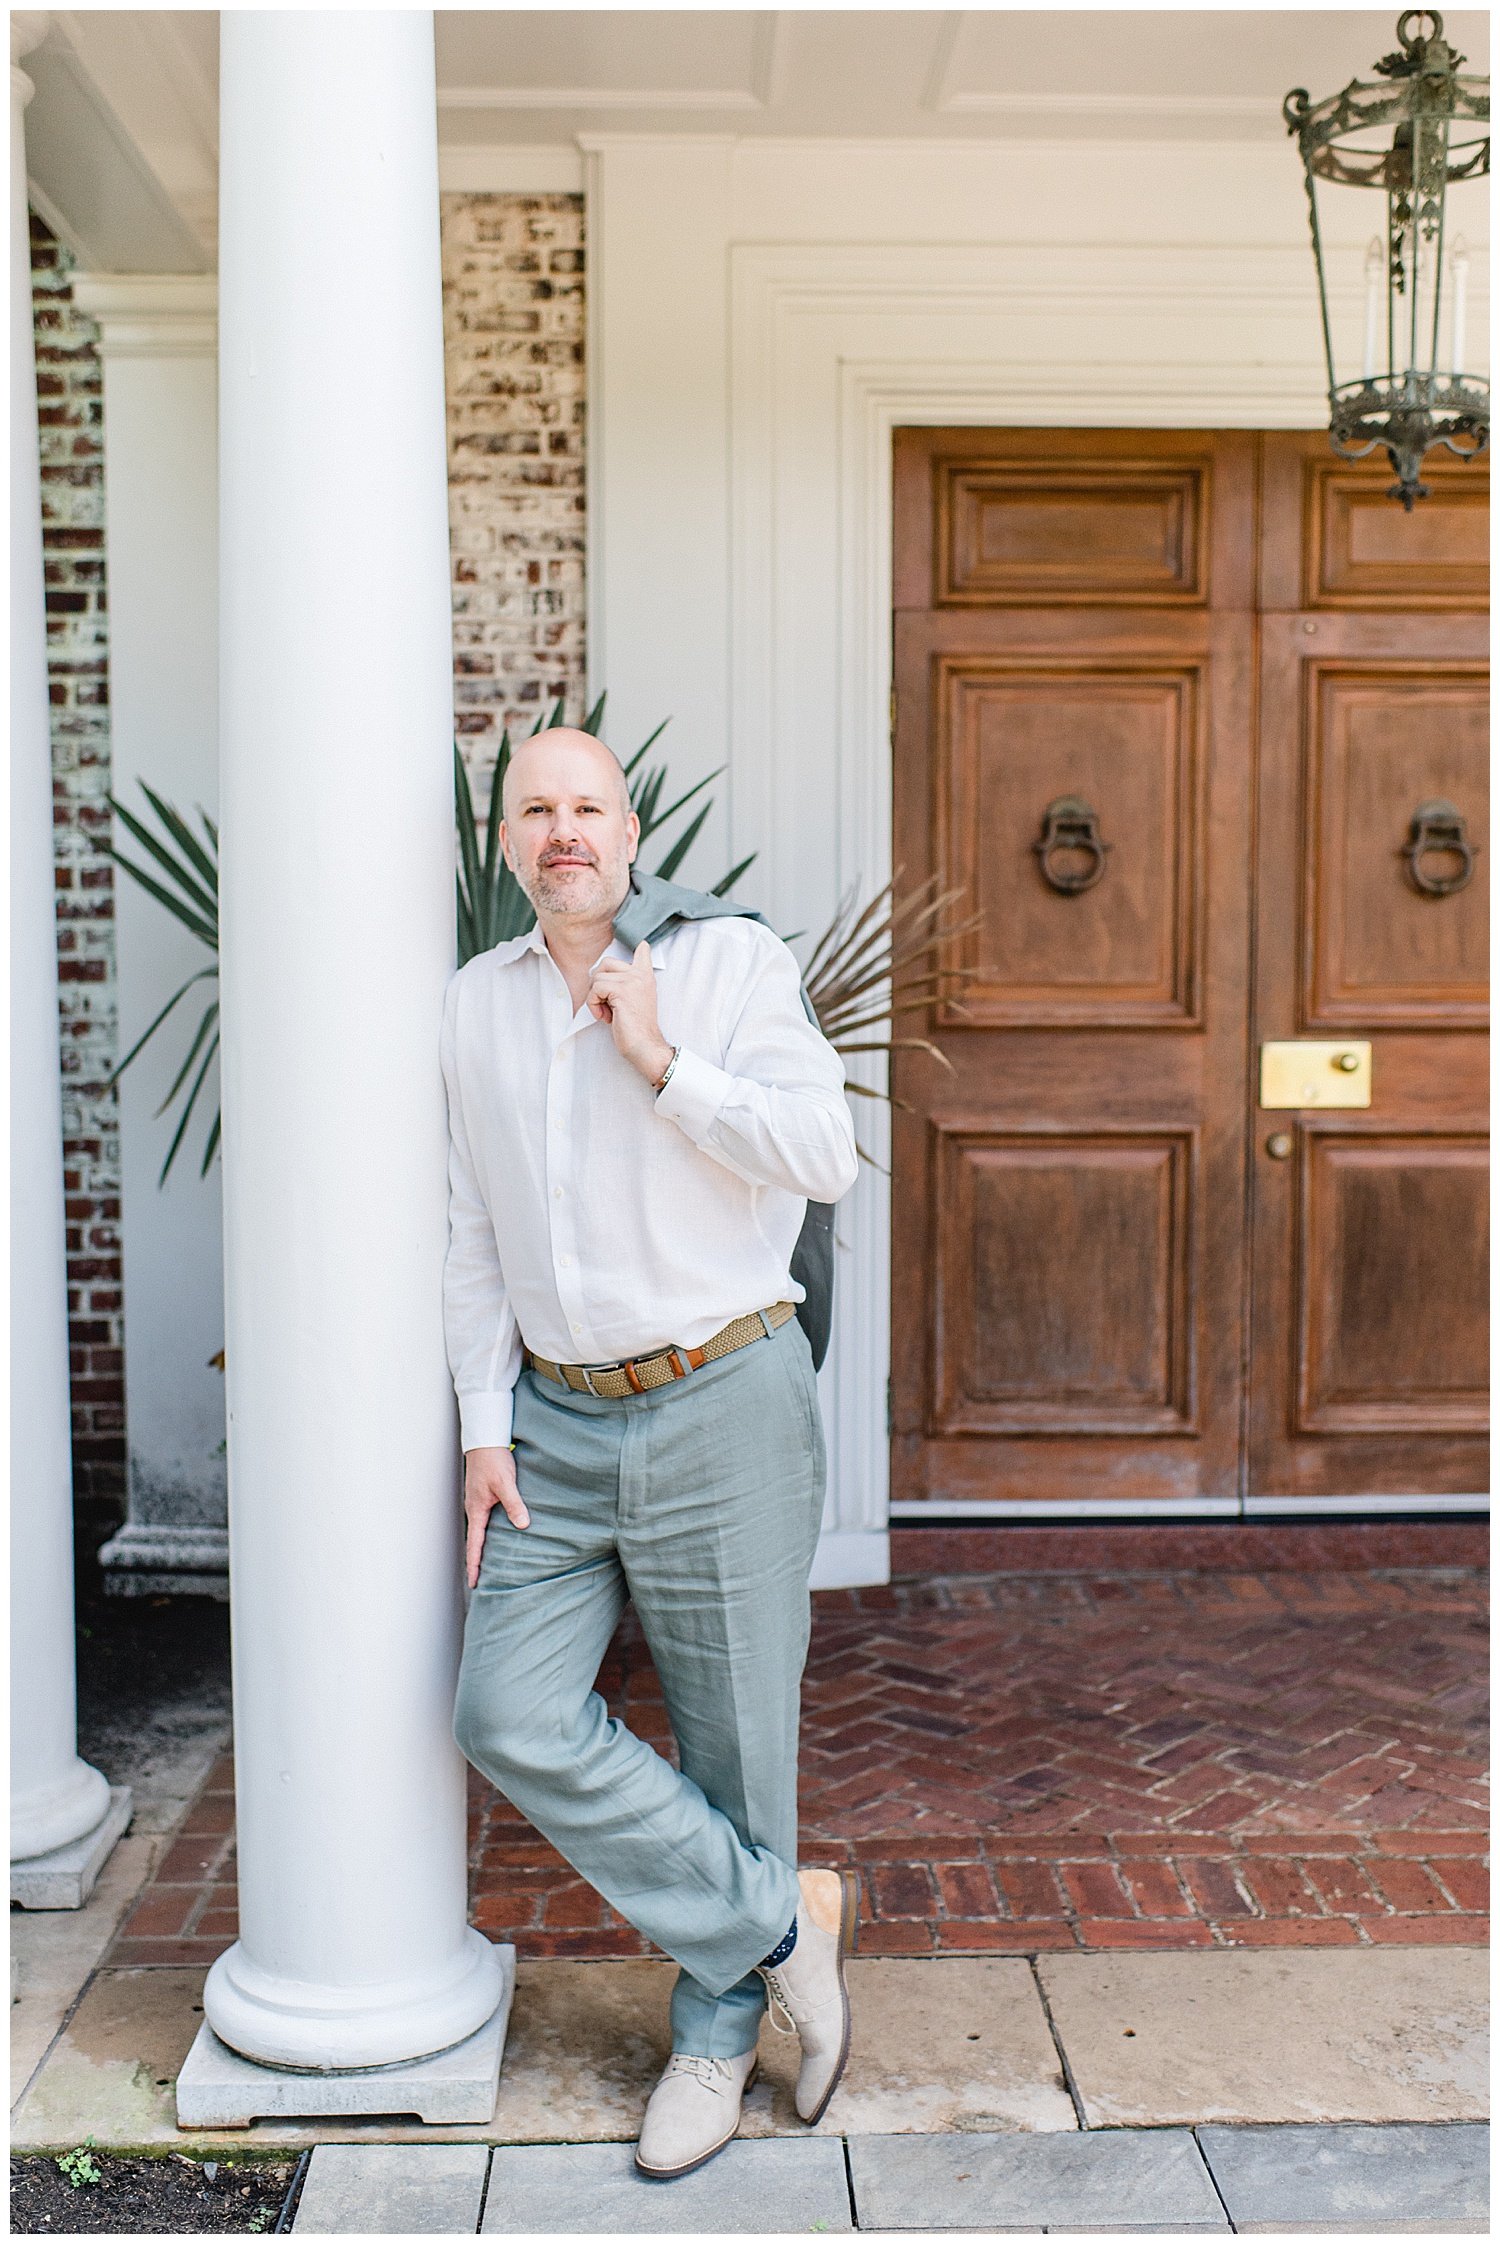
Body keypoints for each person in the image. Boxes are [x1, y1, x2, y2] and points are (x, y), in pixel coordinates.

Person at [440, 726, 862, 2177]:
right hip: (554, 1421)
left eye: (589, 806)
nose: (565, 831)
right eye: (537, 810)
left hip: (722, 1395)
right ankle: (778, 1931)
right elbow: (473, 1234)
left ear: (631, 831)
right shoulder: (473, 1008)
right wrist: (485, 1432)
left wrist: (664, 1062)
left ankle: (712, 2036)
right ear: (508, 844)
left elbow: (826, 1152)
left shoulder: (727, 965)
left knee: (740, 1752)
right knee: (505, 1709)